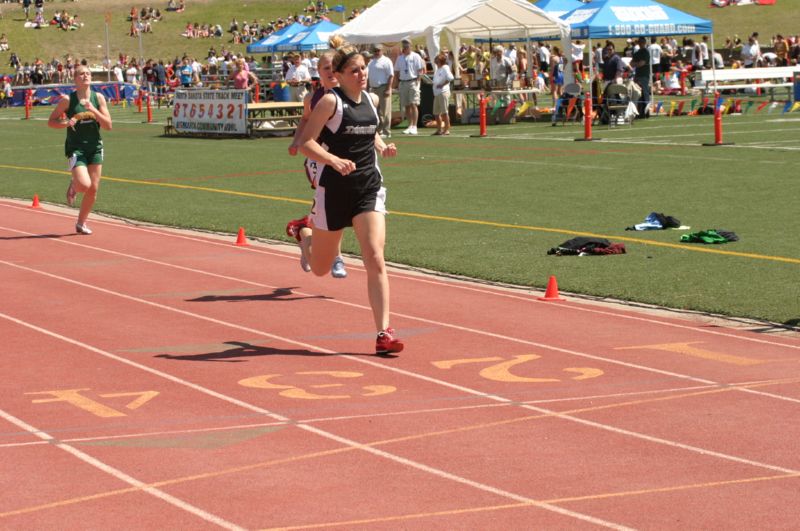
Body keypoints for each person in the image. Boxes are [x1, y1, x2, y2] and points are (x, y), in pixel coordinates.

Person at [286, 41, 404, 356]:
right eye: (355, 70)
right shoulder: (329, 102)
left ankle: (384, 332)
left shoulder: (371, 98)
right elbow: (308, 142)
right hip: (333, 192)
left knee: (375, 256)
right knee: (321, 267)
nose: (362, 74)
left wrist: (382, 147)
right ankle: (304, 233)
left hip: (367, 188)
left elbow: (368, 129)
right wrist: (333, 160)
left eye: (364, 68)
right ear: (339, 74)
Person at [287, 47, 347, 279]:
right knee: (335, 205)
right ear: (318, 72)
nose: (331, 72)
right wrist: (296, 142)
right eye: (326, 68)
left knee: (333, 208)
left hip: (345, 157)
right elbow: (304, 121)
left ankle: (305, 230)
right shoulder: (313, 98)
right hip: (319, 158)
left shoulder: (348, 94)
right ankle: (338, 257)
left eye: (335, 67)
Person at [47, 65, 112, 235]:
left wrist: (93, 109)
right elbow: (51, 121)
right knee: (84, 185)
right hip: (76, 148)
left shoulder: (99, 98)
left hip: (95, 147)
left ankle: (81, 223)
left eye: (88, 73)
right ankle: (75, 184)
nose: (86, 76)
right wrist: (65, 124)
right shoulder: (68, 100)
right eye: (82, 74)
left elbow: (108, 126)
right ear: (75, 79)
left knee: (93, 189)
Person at [394, 38, 425, 135]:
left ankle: (415, 126)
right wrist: (397, 84)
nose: (405, 48)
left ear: (410, 46)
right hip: (403, 82)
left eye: (407, 46)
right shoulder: (400, 58)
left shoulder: (415, 56)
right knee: (406, 106)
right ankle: (410, 125)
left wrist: (418, 82)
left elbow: (420, 70)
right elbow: (397, 71)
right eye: (404, 46)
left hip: (413, 81)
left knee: (413, 104)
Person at [367, 43, 393, 138]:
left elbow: (391, 75)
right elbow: (369, 77)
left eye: (378, 50)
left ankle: (387, 131)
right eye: (375, 51)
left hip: (383, 87)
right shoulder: (371, 62)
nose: (377, 52)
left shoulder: (386, 61)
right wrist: (368, 88)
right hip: (373, 88)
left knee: (385, 110)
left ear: (382, 51)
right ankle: (379, 130)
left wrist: (388, 88)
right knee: (376, 111)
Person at [431, 52, 453, 136]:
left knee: (444, 112)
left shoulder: (445, 67)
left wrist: (442, 84)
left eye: (436, 60)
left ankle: (446, 129)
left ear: (440, 61)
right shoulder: (438, 69)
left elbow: (450, 78)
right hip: (436, 93)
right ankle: (439, 129)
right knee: (436, 113)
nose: (435, 62)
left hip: (443, 92)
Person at [631, 37, 651, 117]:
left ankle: (646, 111)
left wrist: (636, 64)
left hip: (644, 75)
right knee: (637, 93)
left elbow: (641, 63)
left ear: (644, 42)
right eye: (640, 42)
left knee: (645, 93)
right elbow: (632, 63)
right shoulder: (638, 52)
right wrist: (637, 63)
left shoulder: (646, 52)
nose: (641, 43)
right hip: (637, 75)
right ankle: (639, 111)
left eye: (642, 42)